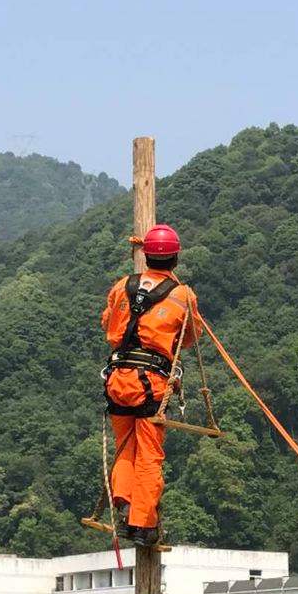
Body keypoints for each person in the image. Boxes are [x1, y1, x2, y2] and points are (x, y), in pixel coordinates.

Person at [100, 222, 201, 547]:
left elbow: (108, 324)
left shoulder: (122, 286)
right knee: (149, 455)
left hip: (118, 379)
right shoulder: (182, 296)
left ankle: (125, 499)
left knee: (125, 446)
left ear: (145, 256)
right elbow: (190, 338)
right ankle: (142, 525)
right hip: (150, 384)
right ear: (175, 259)